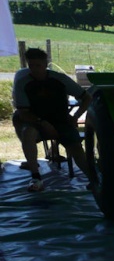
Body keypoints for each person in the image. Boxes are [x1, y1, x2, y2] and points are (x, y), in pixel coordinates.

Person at [12, 47, 97, 192]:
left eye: (38, 65)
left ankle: (94, 179)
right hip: (36, 122)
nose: (34, 69)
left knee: (76, 148)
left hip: (61, 121)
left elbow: (87, 97)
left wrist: (76, 116)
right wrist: (42, 123)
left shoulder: (59, 79)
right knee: (28, 133)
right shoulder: (23, 82)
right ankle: (36, 177)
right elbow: (22, 112)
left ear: (45, 65)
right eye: (31, 65)